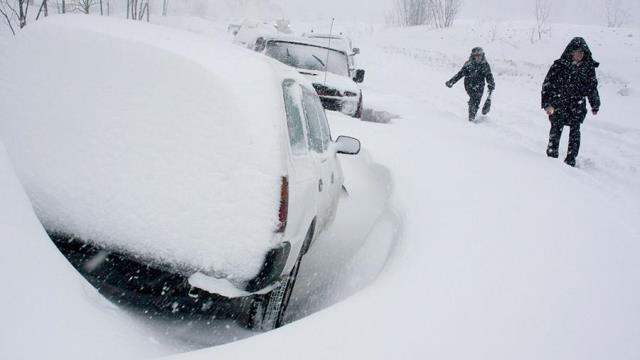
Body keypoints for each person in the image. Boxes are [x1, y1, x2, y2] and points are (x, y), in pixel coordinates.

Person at [541, 37, 600, 167]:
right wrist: (547, 104)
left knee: (575, 132)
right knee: (556, 129)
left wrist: (595, 104)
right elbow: (547, 85)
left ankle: (571, 159)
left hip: (577, 105)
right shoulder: (559, 65)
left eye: (582, 52)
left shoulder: (588, 68)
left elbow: (592, 87)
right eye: (577, 52)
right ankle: (552, 155)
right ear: (571, 51)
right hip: (559, 102)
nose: (580, 55)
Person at [446, 47, 495, 122]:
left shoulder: (485, 65)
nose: (478, 57)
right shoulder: (468, 64)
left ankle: (472, 114)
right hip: (469, 84)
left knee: (477, 99)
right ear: (473, 56)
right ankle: (471, 117)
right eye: (476, 56)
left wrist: (491, 84)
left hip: (480, 85)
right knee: (474, 98)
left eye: (480, 55)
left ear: (482, 55)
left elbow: (489, 76)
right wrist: (451, 81)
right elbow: (460, 74)